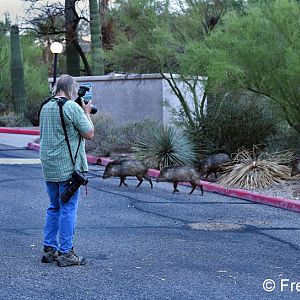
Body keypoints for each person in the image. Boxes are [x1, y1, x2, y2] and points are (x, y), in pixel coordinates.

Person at [39, 74, 94, 267]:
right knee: (68, 209)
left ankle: (49, 250)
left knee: (54, 206)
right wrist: (86, 111)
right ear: (71, 89)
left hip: (49, 166)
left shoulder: (45, 106)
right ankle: (66, 253)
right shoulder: (72, 107)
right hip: (68, 168)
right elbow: (89, 133)